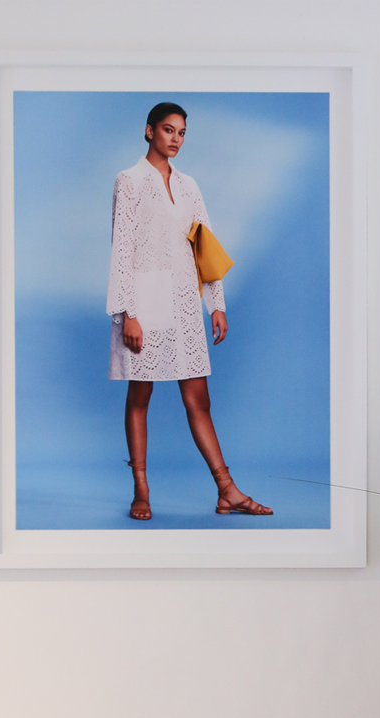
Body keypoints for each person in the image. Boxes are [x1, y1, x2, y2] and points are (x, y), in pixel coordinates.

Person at [106, 102, 272, 520]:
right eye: (168, 130)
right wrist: (128, 312)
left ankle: (226, 490)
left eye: (181, 132)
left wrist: (216, 304)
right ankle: (141, 490)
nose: (175, 138)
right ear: (148, 131)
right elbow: (121, 249)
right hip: (143, 303)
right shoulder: (128, 182)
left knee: (198, 399)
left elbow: (204, 245)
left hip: (183, 303)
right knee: (140, 395)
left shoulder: (190, 185)